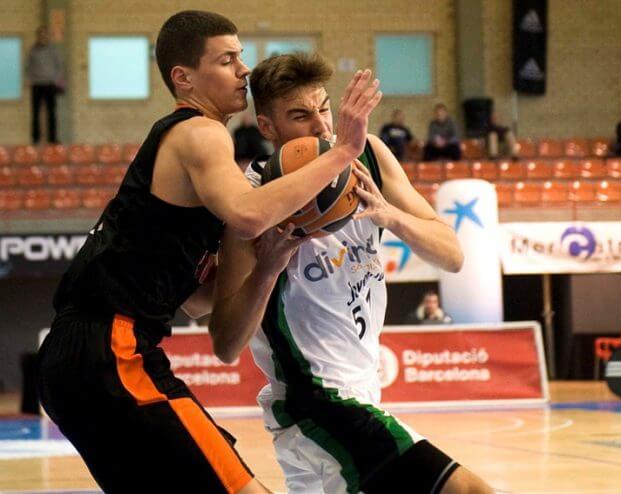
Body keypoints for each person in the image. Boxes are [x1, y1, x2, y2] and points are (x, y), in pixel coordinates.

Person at [37, 10, 381, 494]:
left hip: (75, 361)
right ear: (184, 77)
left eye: (242, 57)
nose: (244, 69)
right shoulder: (200, 131)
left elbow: (197, 301)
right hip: (111, 350)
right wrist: (342, 152)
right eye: (228, 59)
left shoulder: (189, 152)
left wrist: (268, 263)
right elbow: (246, 214)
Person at [209, 52, 492, 493]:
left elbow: (453, 255)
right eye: (300, 116)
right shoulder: (252, 199)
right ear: (267, 128)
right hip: (316, 403)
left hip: (361, 396)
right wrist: (270, 265)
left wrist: (388, 216)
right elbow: (226, 343)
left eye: (323, 109)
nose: (322, 127)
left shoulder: (369, 156)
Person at [25, 26, 63, 144]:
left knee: (52, 113)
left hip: (50, 84)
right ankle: (35, 139)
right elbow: (28, 67)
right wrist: (28, 79)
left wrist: (56, 79)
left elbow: (59, 65)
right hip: (36, 84)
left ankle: (52, 139)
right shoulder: (32, 50)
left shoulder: (53, 50)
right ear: (38, 36)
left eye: (45, 34)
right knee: (35, 112)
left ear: (48, 36)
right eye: (41, 34)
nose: (43, 36)